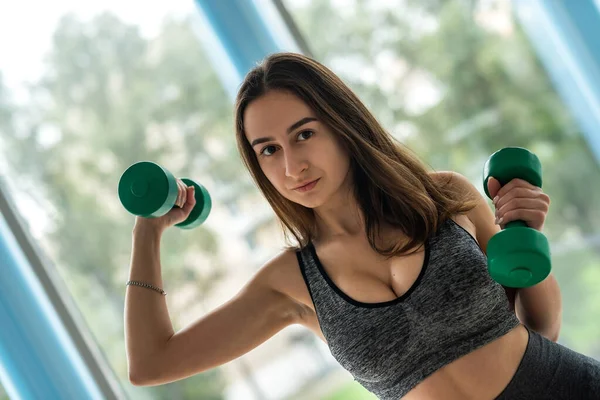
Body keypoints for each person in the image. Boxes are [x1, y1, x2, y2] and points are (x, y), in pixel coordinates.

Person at [124, 52, 600, 399]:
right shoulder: (289, 285)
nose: (291, 166)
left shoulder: (445, 198)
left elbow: (543, 326)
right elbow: (151, 364)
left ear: (342, 125)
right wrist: (148, 231)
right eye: (268, 149)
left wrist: (526, 231)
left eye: (304, 134)